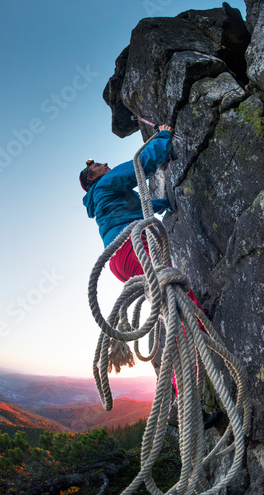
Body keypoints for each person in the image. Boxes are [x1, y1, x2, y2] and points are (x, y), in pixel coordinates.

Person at [80, 125, 222, 429]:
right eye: (96, 166)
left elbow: (140, 207)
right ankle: (200, 336)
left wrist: (165, 204)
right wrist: (164, 134)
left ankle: (176, 401)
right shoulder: (105, 184)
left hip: (122, 255)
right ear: (91, 177)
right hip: (133, 245)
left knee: (170, 309)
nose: (103, 165)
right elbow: (141, 166)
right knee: (179, 309)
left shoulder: (105, 196)